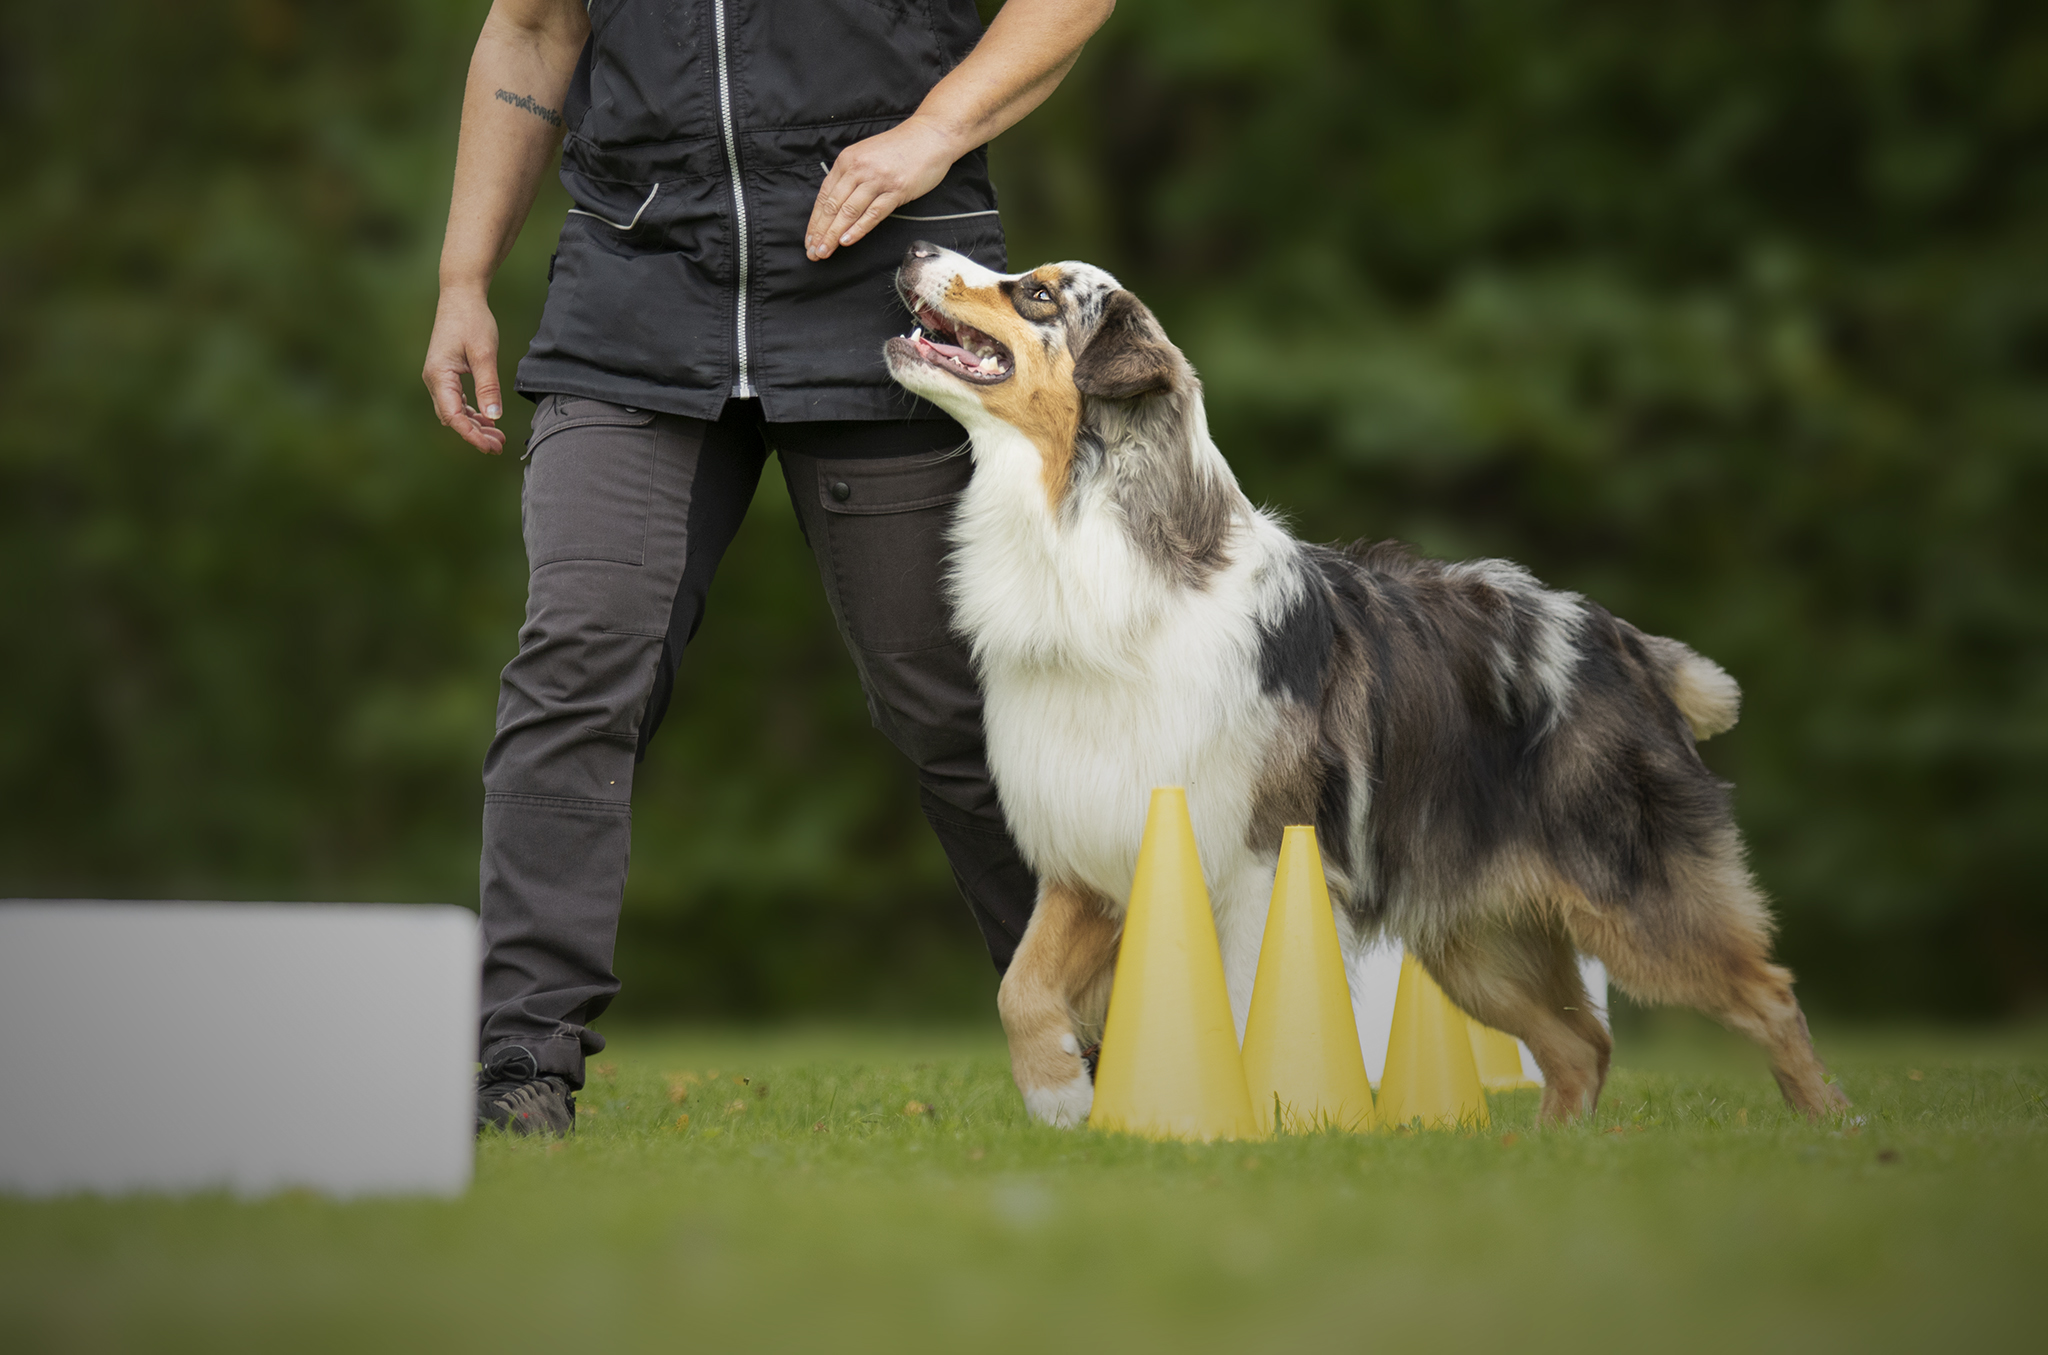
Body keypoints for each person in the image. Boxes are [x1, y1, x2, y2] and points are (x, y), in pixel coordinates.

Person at [425, 0, 1115, 1134]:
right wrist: (463, 278)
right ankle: (517, 1065)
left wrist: (933, 130)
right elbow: (533, 28)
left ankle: (1100, 1037)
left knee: (958, 703)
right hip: (632, 301)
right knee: (579, 657)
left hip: (893, 296)